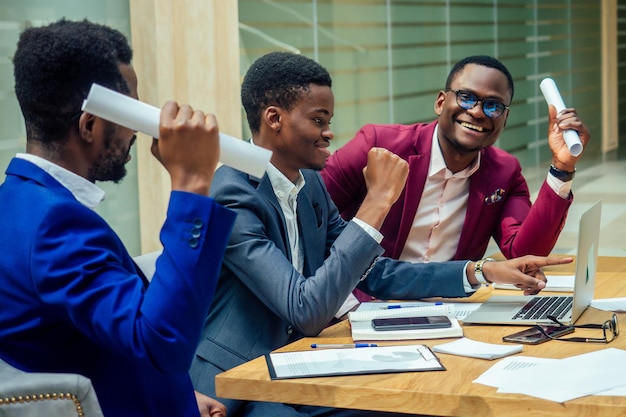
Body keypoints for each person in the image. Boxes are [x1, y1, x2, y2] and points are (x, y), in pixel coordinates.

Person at [189, 51, 572, 417]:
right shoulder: (233, 192)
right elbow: (304, 309)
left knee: (427, 402)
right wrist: (377, 203)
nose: (329, 133)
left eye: (328, 120)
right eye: (319, 121)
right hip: (238, 380)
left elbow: (373, 270)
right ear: (274, 118)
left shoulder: (309, 185)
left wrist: (479, 272)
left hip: (302, 357)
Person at [0, 19, 235, 417]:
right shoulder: (53, 225)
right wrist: (191, 184)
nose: (138, 133)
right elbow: (161, 341)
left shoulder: (18, 203)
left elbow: (97, 337)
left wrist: (179, 397)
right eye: (133, 114)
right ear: (90, 125)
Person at [321, 55, 591, 265]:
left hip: (451, 310)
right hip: (364, 303)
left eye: (493, 105)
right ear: (441, 102)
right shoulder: (377, 145)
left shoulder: (505, 172)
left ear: (505, 119)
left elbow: (525, 254)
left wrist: (563, 166)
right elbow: (310, 215)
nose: (476, 112)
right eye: (466, 97)